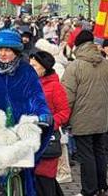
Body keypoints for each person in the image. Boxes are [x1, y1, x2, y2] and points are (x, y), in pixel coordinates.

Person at [0, 29, 52, 196]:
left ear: (16, 51)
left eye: (7, 50)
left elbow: (36, 96)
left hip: (21, 127)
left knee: (25, 171)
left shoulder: (27, 71)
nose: (3, 53)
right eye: (0, 49)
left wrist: (43, 112)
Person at [61, 30, 108, 196]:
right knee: (99, 152)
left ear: (77, 45)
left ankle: (89, 190)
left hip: (81, 118)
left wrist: (66, 117)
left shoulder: (75, 66)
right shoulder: (106, 64)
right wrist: (107, 111)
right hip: (101, 117)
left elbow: (67, 96)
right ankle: (102, 186)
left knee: (86, 155)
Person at [30, 51, 70, 196]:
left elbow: (64, 112)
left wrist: (49, 123)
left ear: (43, 68)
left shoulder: (55, 87)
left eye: (34, 66)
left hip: (47, 139)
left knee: (44, 178)